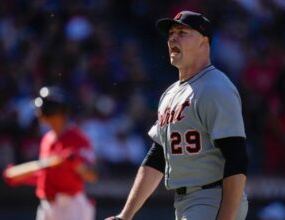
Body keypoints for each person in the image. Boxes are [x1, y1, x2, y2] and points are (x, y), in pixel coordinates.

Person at [106, 10, 249, 220]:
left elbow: (237, 158)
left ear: (204, 42)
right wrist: (125, 215)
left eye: (183, 32)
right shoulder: (171, 93)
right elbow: (157, 157)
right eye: (171, 33)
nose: (173, 37)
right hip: (187, 202)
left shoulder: (216, 87)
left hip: (213, 198)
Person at [3, 86, 97, 220]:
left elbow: (92, 175)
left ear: (54, 110)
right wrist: (22, 176)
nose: (38, 112)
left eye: (43, 108)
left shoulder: (78, 139)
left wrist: (75, 162)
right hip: (47, 205)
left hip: (71, 206)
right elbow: (46, 173)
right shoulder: (47, 138)